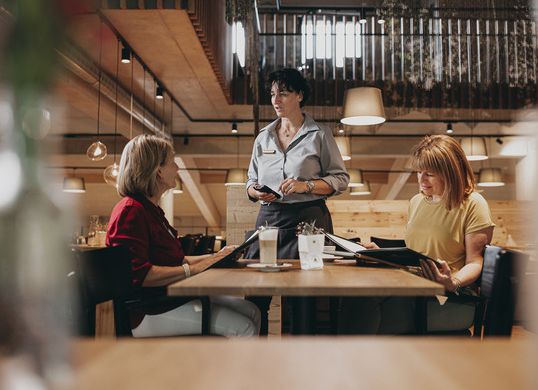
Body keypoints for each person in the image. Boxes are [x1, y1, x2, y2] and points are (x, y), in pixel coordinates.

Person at [106, 134, 260, 337]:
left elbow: (178, 260)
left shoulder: (152, 210)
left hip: (171, 300)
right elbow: (141, 276)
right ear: (159, 171)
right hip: (147, 310)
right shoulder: (130, 211)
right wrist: (195, 269)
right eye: (173, 162)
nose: (177, 168)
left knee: (253, 312)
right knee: (244, 326)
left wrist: (217, 256)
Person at [339, 134, 495, 334]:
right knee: (357, 294)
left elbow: (475, 262)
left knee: (367, 312)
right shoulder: (417, 202)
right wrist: (383, 255)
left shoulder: (473, 203)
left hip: (449, 296)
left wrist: (451, 282)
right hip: (413, 288)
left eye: (429, 173)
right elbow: (415, 253)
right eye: (419, 172)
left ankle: (355, 359)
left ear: (450, 172)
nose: (421, 179)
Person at [245, 68, 350, 335]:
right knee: (256, 296)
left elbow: (340, 179)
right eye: (272, 94)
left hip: (309, 221)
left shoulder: (320, 134)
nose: (276, 100)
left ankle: (302, 363)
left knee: (302, 299)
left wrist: (307, 185)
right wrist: (256, 192)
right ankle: (253, 361)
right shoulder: (263, 137)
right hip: (269, 221)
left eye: (284, 93)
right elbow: (250, 180)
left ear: (300, 95)